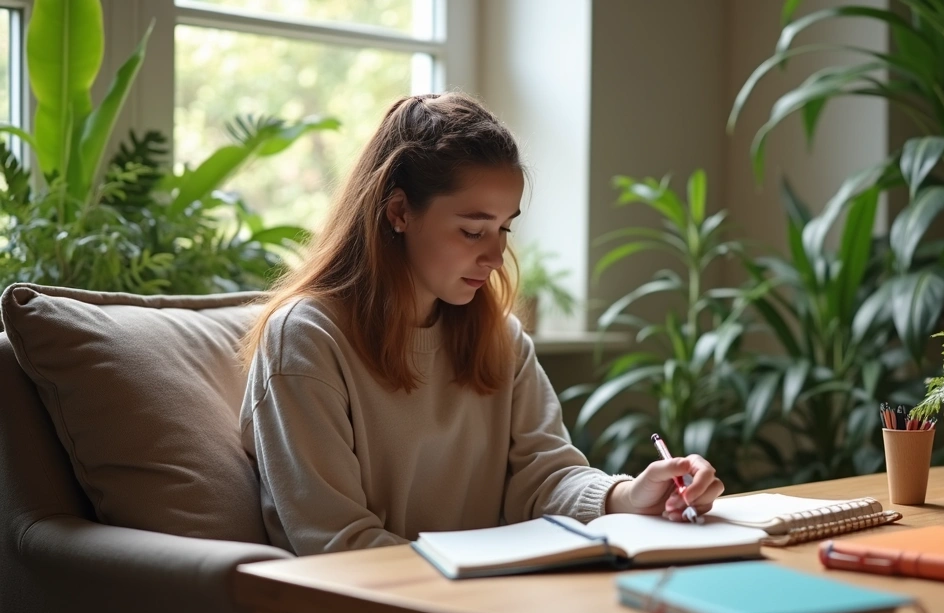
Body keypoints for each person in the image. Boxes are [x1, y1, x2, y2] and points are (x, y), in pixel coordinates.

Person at [239, 92, 725, 556]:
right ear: (399, 212)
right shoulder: (305, 340)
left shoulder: (500, 338)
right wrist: (484, 589)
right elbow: (336, 542)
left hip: (488, 601)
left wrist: (629, 495)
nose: (496, 256)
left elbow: (546, 477)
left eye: (504, 228)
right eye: (473, 230)